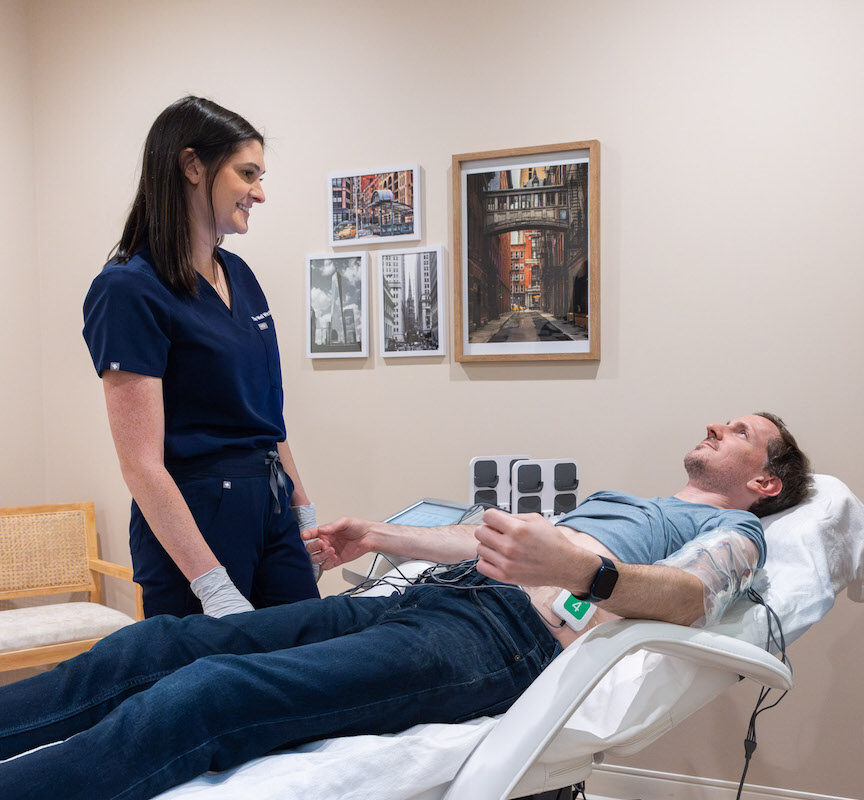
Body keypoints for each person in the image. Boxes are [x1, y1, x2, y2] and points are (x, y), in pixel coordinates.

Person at [0, 414, 810, 800]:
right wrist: (380, 536)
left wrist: (585, 572)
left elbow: (694, 595)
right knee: (161, 644)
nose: (714, 424)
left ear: (764, 482)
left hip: (497, 641)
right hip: (419, 600)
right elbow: (486, 546)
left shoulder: (732, 527)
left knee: (207, 696)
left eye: (738, 429)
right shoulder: (621, 498)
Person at [82, 97, 319, 619]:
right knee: (215, 689)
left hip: (269, 502)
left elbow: (269, 420)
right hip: (195, 521)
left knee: (310, 664)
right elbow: (141, 464)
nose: (260, 192)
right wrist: (209, 582)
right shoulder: (128, 289)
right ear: (192, 166)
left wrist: (303, 512)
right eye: (247, 173)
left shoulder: (241, 276)